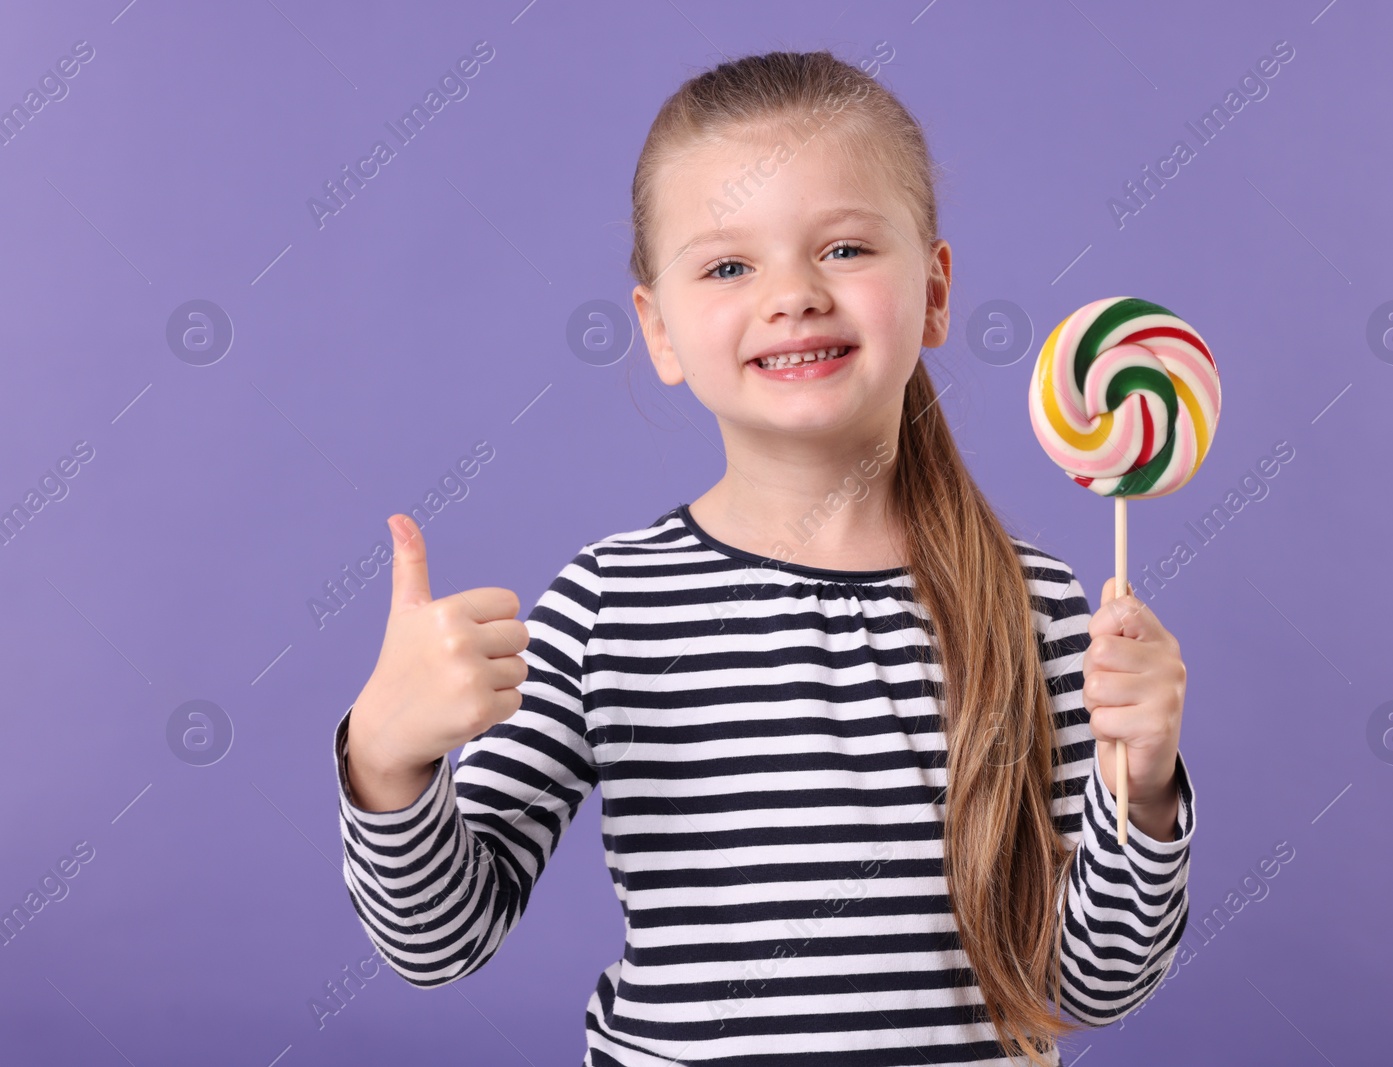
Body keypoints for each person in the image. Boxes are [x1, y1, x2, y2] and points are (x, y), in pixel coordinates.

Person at [333, 49, 1195, 1067]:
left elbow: (1092, 983)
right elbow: (439, 940)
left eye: (842, 248)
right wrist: (387, 760)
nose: (792, 294)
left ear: (933, 289)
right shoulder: (607, 607)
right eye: (728, 265)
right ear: (659, 328)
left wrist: (1141, 789)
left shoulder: (1042, 608)